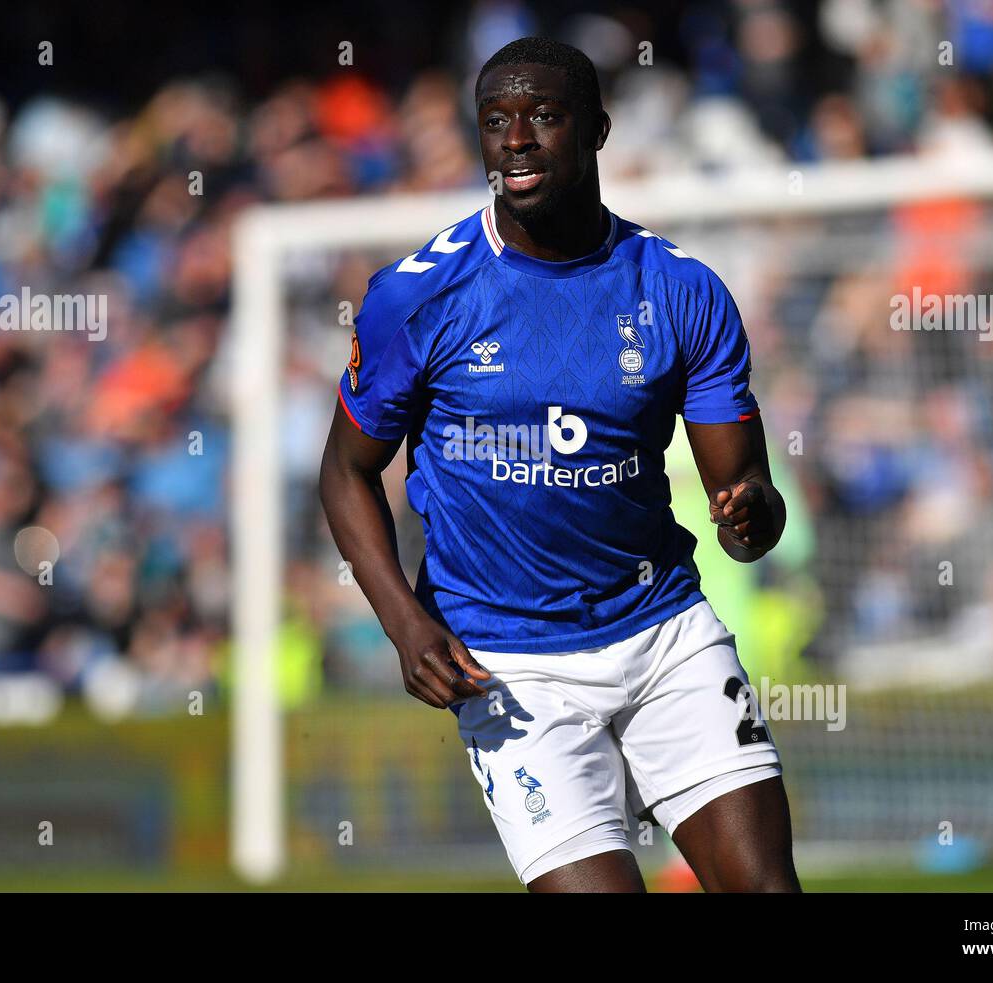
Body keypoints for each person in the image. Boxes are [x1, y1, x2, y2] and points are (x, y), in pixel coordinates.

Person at [320, 36, 800, 893]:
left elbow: (746, 502)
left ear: (599, 129)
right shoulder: (418, 295)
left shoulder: (681, 291)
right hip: (508, 663)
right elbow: (345, 472)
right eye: (496, 121)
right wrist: (403, 621)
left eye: (544, 116)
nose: (517, 139)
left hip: (663, 633)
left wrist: (752, 511)